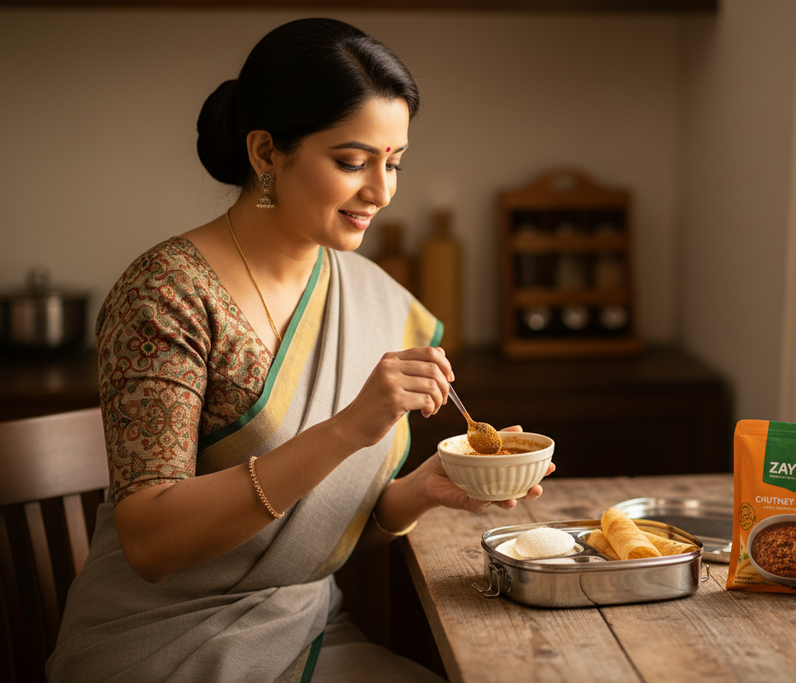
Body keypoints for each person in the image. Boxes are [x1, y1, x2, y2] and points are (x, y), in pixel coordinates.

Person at [46, 18, 552, 683]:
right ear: (265, 153)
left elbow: (301, 541)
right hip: (160, 645)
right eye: (352, 161)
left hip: (301, 630)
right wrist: (347, 430)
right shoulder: (167, 293)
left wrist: (418, 493)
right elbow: (150, 541)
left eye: (394, 161)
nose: (382, 190)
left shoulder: (378, 299)